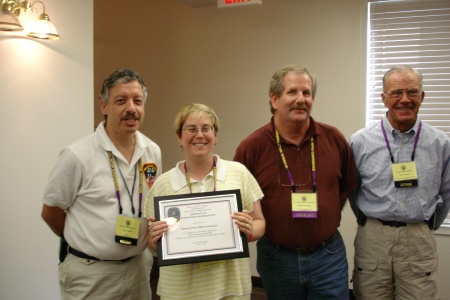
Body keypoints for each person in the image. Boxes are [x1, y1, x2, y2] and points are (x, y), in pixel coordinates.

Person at [233, 64, 358, 300]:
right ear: (274, 99)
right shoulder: (252, 146)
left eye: (307, 93)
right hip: (277, 258)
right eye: (292, 92)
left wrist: (327, 216)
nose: (300, 99)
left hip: (327, 256)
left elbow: (346, 187)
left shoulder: (334, 139)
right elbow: (236, 198)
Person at [41, 68, 162, 299]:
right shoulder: (77, 155)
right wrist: (85, 241)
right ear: (104, 106)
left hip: (138, 269)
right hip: (90, 274)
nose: (131, 109)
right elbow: (51, 212)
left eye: (137, 101)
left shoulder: (152, 151)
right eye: (121, 101)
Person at [145, 103, 265, 300]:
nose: (199, 135)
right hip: (180, 291)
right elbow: (151, 243)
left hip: (231, 287)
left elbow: (260, 222)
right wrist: (154, 238)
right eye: (191, 129)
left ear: (215, 135)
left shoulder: (239, 173)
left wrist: (250, 229)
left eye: (206, 128)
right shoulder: (162, 184)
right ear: (179, 137)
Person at [349, 65, 450, 300]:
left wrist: (426, 226)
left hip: (418, 238)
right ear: (384, 98)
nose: (404, 99)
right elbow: (352, 192)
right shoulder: (359, 142)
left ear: (422, 97)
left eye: (412, 92)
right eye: (396, 93)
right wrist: (368, 221)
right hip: (373, 236)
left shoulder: (440, 143)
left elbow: (446, 191)